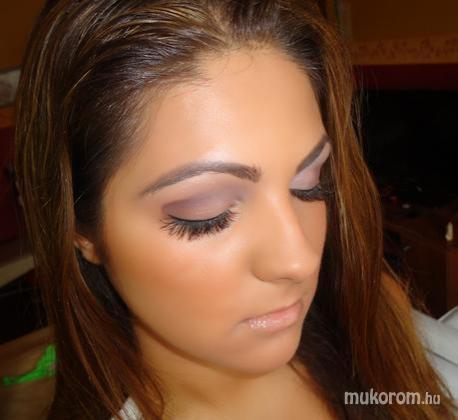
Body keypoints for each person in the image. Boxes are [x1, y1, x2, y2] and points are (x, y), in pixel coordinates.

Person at [13, 0, 458, 419]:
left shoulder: (375, 310)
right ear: (81, 229)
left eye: (310, 185)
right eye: (207, 213)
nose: (299, 261)